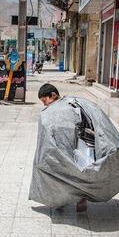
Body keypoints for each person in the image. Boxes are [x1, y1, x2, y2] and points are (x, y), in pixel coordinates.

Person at [36, 83, 87, 212]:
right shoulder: (49, 112)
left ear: (53, 95)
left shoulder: (72, 105)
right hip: (58, 148)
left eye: (44, 100)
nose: (44, 104)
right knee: (60, 173)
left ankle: (81, 198)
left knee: (76, 172)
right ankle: (62, 199)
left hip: (75, 146)